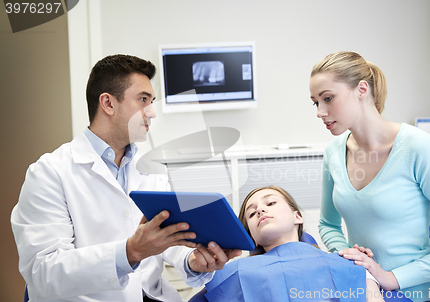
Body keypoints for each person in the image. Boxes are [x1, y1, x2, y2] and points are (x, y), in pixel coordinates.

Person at [11, 54, 241, 302]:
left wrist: (192, 261)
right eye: (143, 100)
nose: (152, 112)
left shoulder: (151, 169)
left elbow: (166, 239)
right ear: (108, 103)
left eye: (151, 101)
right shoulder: (49, 173)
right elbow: (44, 272)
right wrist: (129, 252)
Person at [309, 51, 430, 302]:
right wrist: (349, 255)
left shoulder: (417, 146)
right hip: (365, 293)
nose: (320, 112)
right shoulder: (334, 152)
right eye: (315, 102)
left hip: (422, 295)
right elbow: (328, 224)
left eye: (328, 98)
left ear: (362, 89)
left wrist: (392, 277)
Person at [204, 186, 385, 302]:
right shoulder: (230, 275)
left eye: (271, 202)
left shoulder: (352, 264)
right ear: (253, 238)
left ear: (297, 216)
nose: (260, 209)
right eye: (251, 214)